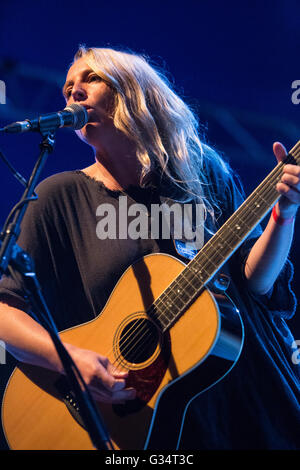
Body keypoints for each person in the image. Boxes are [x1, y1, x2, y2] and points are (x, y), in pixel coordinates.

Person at [0, 46, 299, 450]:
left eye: (90, 78)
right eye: (68, 87)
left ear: (134, 91)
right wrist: (68, 359)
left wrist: (284, 213)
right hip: (137, 421)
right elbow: (4, 307)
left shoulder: (202, 173)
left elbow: (255, 283)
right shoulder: (59, 198)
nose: (73, 92)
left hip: (237, 397)